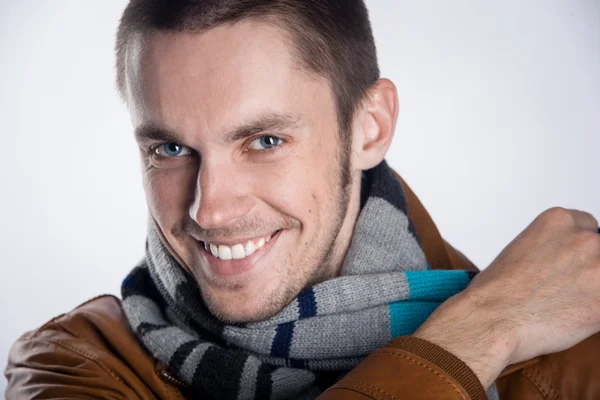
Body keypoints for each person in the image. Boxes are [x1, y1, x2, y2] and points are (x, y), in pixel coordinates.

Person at [5, 1, 600, 399]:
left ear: (369, 128)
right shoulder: (75, 365)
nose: (208, 211)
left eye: (264, 140)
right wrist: (477, 332)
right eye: (170, 149)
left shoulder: (572, 352)